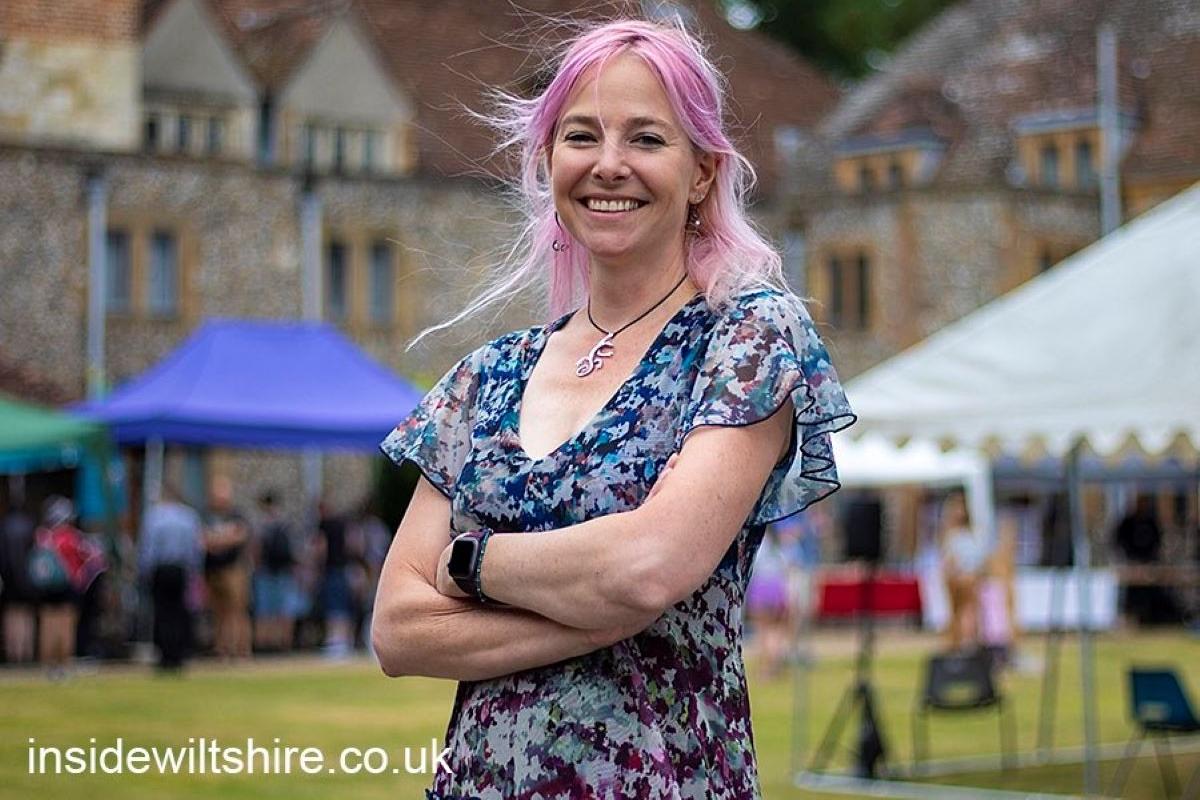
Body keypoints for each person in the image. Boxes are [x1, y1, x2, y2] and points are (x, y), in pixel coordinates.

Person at [371, 19, 854, 798]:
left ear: (703, 171)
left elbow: (646, 567)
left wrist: (470, 564)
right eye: (581, 136)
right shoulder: (485, 377)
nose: (609, 166)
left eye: (647, 139)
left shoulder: (748, 340)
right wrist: (592, 609)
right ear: (548, 159)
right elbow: (396, 629)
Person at [33, 496, 105, 678]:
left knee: (48, 624)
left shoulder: (42, 536)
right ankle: (63, 664)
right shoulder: (72, 537)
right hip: (68, 587)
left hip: (47, 588)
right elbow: (96, 558)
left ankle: (48, 665)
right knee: (66, 625)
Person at [139, 484, 203, 672]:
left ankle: (164, 655)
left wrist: (144, 571)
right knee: (179, 612)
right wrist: (194, 572)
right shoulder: (189, 516)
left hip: (161, 569)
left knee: (162, 612)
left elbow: (148, 548)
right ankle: (178, 654)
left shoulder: (154, 516)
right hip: (180, 569)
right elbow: (194, 549)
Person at [202, 475, 252, 661]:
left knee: (238, 610)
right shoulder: (207, 515)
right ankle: (222, 649)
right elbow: (202, 539)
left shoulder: (236, 515)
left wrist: (217, 540)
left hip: (233, 569)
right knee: (218, 612)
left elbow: (239, 536)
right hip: (213, 569)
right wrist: (222, 539)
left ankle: (241, 650)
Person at [939, 491, 989, 651]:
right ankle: (956, 643)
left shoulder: (975, 532)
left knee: (970, 610)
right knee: (956, 612)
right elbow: (948, 559)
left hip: (970, 576)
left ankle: (970, 642)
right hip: (956, 577)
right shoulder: (949, 533)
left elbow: (981, 557)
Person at [252, 490, 297, 652]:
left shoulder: (261, 524)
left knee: (265, 610)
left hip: (266, 570)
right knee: (284, 609)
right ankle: (284, 643)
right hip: (284, 570)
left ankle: (265, 644)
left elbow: (256, 548)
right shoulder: (285, 523)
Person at [1, 499, 38, 663]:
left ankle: (13, 654)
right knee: (26, 616)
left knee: (11, 616)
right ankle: (26, 653)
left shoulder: (3, 527)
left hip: (9, 579)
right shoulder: (30, 526)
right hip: (28, 579)